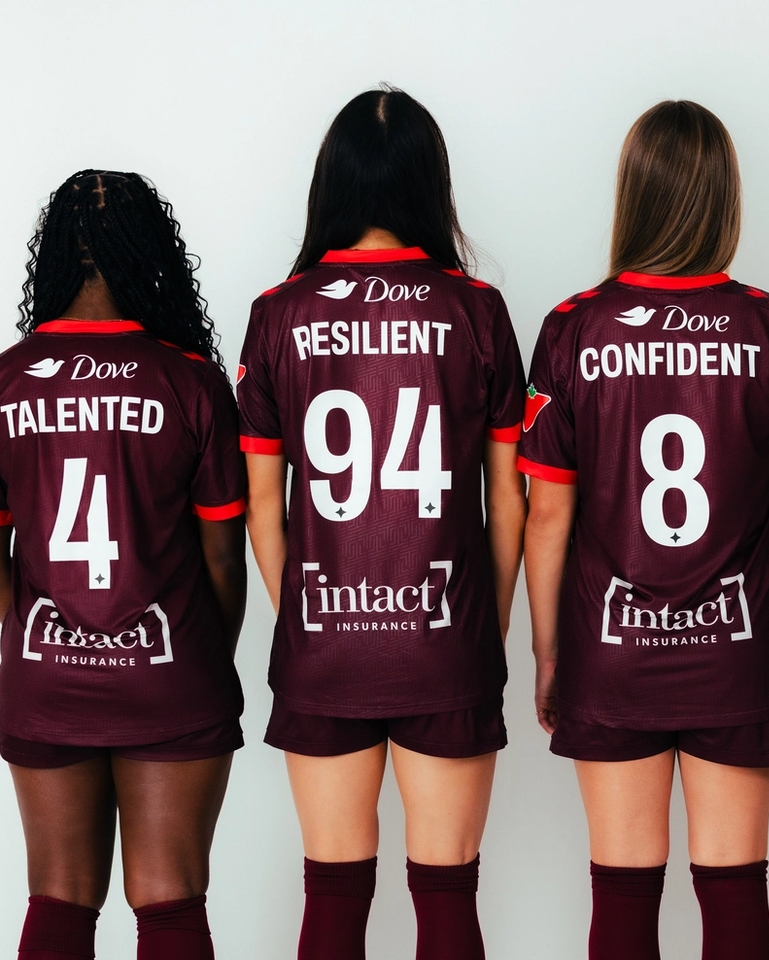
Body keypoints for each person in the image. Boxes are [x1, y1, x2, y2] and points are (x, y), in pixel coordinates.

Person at [519, 99, 769, 960]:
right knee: (735, 893)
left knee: (622, 897)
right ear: (725, 198)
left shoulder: (573, 326)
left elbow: (547, 513)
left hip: (611, 646)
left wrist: (548, 650)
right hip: (739, 645)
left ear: (633, 195)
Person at [236, 87, 528, 960]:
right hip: (445, 638)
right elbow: (508, 502)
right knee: (447, 899)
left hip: (325, 641)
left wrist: (306, 620)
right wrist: (485, 628)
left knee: (331, 897)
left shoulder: (279, 311)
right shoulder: (476, 310)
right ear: (430, 185)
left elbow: (263, 505)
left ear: (332, 183)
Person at [0, 169, 247, 960]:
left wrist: (54, 633)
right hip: (172, 672)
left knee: (59, 898)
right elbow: (224, 553)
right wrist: (199, 657)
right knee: (171, 900)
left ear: (52, 256)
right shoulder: (191, 382)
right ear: (152, 256)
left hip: (45, 674)